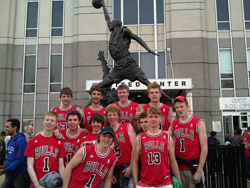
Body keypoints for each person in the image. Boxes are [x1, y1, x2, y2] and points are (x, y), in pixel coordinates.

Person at [97, 0, 158, 89]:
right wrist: (103, 6)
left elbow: (138, 38)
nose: (110, 24)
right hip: (118, 66)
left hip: (128, 64)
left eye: (112, 23)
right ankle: (92, 101)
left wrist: (148, 49)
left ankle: (169, 99)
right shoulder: (113, 32)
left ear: (116, 24)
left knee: (149, 85)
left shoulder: (123, 30)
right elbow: (107, 18)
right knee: (100, 86)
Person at [132, 107, 181, 187]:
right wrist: (135, 182)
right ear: (147, 118)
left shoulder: (168, 138)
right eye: (151, 117)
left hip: (165, 182)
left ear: (160, 119)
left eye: (156, 117)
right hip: (145, 183)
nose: (153, 119)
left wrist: (179, 181)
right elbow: (134, 162)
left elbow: (173, 161)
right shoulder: (139, 139)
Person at [170, 96, 208, 188]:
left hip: (193, 167)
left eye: (182, 106)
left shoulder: (198, 122)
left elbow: (204, 148)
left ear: (187, 106)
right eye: (177, 107)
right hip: (178, 168)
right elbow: (164, 139)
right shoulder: (173, 124)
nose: (179, 109)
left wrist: (199, 171)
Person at [24, 111, 66, 188]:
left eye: (52, 120)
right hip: (36, 183)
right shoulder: (33, 141)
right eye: (47, 120)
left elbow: (61, 166)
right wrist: (37, 185)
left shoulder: (59, 142)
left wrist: (64, 184)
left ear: (56, 123)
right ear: (43, 121)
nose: (49, 122)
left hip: (53, 182)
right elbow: (30, 165)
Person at [105, 104, 136, 188]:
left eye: (114, 114)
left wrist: (131, 166)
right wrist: (109, 173)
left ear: (118, 116)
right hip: (114, 169)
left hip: (127, 166)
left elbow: (135, 148)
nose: (112, 117)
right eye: (110, 115)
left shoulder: (127, 126)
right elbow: (105, 154)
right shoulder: (106, 132)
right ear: (107, 117)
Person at [1, 119, 30, 188]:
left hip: (20, 174)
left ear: (14, 128)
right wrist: (6, 165)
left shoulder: (20, 140)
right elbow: (10, 156)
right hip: (11, 172)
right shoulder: (10, 140)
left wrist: (5, 170)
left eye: (7, 127)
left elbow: (20, 160)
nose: (5, 129)